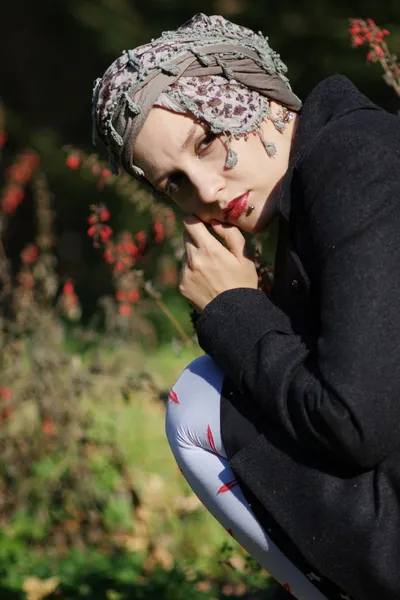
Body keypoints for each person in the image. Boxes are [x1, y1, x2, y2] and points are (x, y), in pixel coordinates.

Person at [91, 13, 400, 600]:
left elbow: (354, 424)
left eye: (205, 142)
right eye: (174, 183)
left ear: (257, 94)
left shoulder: (352, 161)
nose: (205, 191)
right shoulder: (333, 172)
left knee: (201, 400)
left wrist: (233, 310)